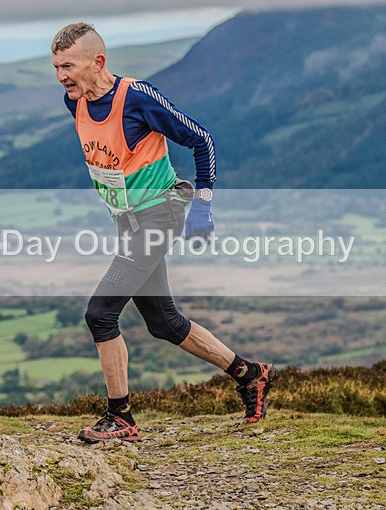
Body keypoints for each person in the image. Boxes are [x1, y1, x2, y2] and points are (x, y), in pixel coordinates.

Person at [51, 23, 274, 443]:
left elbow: (201, 139)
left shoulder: (136, 98)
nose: (62, 76)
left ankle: (121, 418)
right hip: (128, 221)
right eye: (57, 67)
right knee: (164, 323)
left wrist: (203, 205)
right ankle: (251, 375)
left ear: (97, 62)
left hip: (158, 216)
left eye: (69, 66)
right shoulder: (74, 102)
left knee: (100, 314)